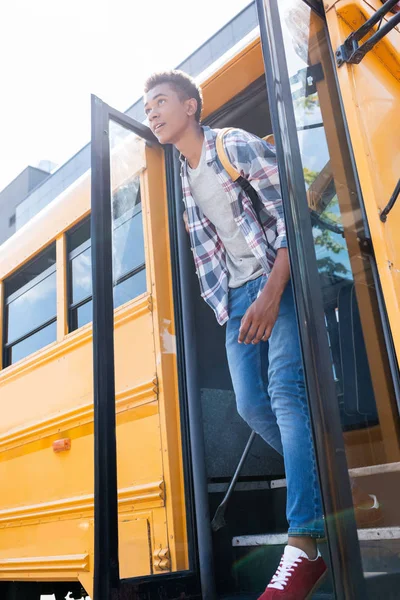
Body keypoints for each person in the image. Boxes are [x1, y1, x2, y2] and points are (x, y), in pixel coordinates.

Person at [144, 69, 327, 599]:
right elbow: (215, 252)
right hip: (238, 296)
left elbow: (297, 216)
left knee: (287, 396)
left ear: (191, 107)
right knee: (250, 406)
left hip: (281, 278)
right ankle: (328, 482)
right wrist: (242, 300)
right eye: (147, 106)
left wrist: (272, 294)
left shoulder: (235, 147)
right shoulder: (180, 178)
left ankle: (305, 543)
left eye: (160, 101)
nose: (152, 112)